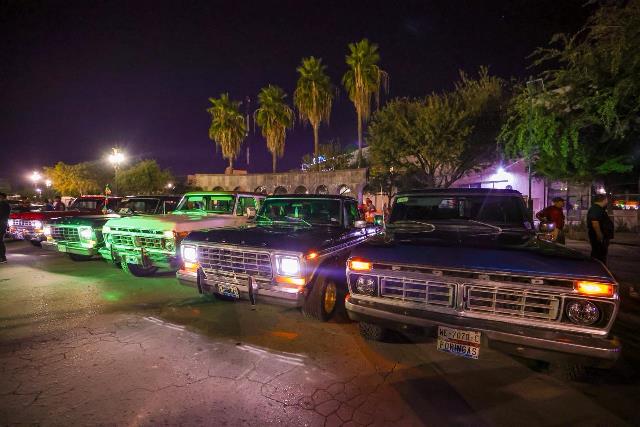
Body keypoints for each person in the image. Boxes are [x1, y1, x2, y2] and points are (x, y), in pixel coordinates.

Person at [587, 194, 614, 265]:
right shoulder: (596, 209)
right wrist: (600, 236)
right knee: (598, 255)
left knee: (600, 254)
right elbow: (595, 223)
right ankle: (597, 268)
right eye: (606, 199)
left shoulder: (598, 208)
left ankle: (598, 267)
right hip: (598, 237)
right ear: (604, 200)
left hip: (601, 237)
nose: (607, 201)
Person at [0, 192, 10, 263]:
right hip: (3, 224)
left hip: (1, 225)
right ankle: (2, 257)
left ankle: (3, 258)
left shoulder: (3, 204)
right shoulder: (6, 205)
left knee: (0, 241)